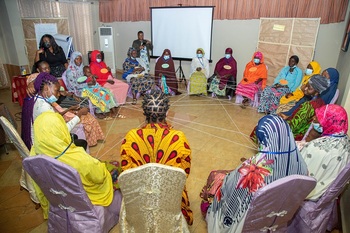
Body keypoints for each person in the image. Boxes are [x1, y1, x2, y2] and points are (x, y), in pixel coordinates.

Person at [203, 115, 308, 232]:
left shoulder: (252, 170)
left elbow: (230, 192)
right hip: (278, 214)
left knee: (217, 177)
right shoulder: (302, 163)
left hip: (247, 220)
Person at [120, 90, 193, 225]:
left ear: (144, 113)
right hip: (170, 197)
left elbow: (126, 171)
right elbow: (184, 174)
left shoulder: (131, 137)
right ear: (166, 112)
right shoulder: (179, 138)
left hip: (140, 199)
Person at [30, 111, 121, 219]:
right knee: (114, 168)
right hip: (85, 196)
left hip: (59, 197)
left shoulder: (33, 156)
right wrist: (98, 165)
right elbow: (99, 177)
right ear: (61, 130)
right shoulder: (78, 158)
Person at [300, 104, 350, 200]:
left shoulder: (317, 148)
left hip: (311, 193)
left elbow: (299, 176)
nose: (314, 118)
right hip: (327, 192)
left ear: (329, 121)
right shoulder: (345, 140)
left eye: (319, 117)